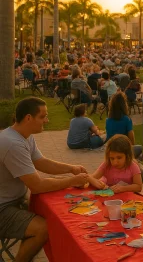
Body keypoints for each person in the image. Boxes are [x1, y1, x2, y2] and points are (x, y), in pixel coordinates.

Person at [0, 98, 88, 261]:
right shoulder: (12, 143)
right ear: (28, 118)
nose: (47, 120)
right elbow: (38, 186)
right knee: (44, 229)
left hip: (13, 201)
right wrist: (71, 181)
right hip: (3, 208)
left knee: (58, 212)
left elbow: (41, 162)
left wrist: (71, 168)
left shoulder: (24, 136)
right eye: (43, 117)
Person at [105, 92, 143, 159]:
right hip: (124, 148)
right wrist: (132, 146)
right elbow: (131, 135)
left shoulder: (108, 120)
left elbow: (108, 136)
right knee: (139, 148)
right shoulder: (126, 119)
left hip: (112, 148)